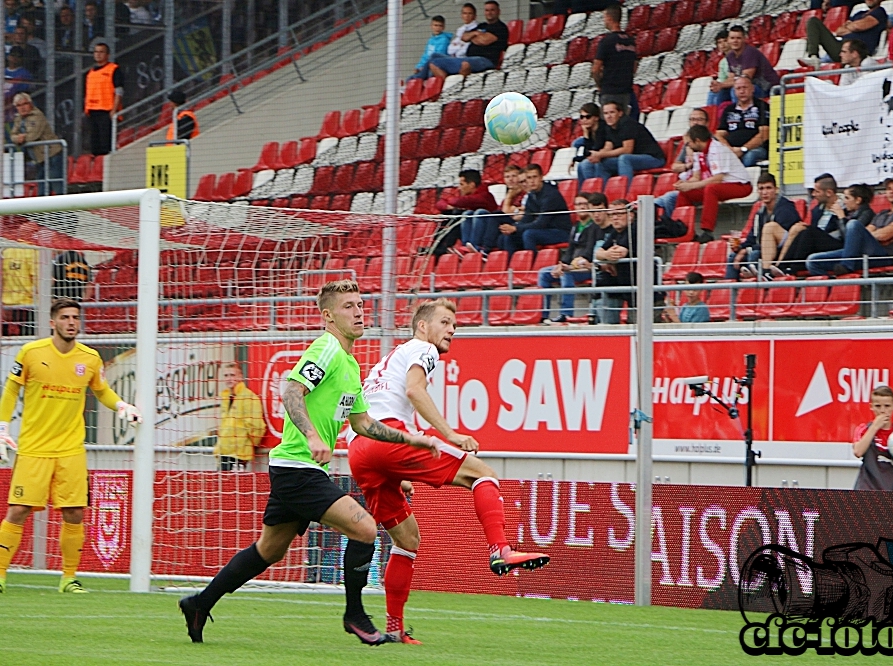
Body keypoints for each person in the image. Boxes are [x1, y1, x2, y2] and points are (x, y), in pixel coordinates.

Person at [179, 280, 439, 645]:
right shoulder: (327, 348)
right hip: (297, 468)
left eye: (361, 304)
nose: (359, 311)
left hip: (299, 469)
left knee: (269, 549)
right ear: (328, 316)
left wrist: (410, 441)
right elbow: (291, 391)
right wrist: (314, 436)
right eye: (348, 306)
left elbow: (363, 424)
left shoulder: (349, 363)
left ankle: (199, 603)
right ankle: (355, 615)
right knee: (364, 528)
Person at [347, 299, 550, 642]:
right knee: (483, 474)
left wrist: (397, 471)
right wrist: (450, 434)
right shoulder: (422, 349)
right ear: (423, 326)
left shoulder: (387, 360)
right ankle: (501, 549)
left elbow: (373, 409)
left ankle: (395, 629)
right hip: (391, 437)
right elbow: (414, 390)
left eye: (454, 325)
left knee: (407, 539)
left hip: (360, 450)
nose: (452, 330)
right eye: (445, 322)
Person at [0, 298, 141, 595]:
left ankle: (68, 578)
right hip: (34, 448)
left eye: (75, 317)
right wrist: (2, 427)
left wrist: (121, 406)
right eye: (65, 317)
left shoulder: (89, 358)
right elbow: (12, 388)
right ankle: (0, 575)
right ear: (53, 322)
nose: (71, 322)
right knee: (18, 510)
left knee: (75, 512)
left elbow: (101, 390)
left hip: (71, 449)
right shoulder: (31, 353)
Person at [806, 175, 893, 275]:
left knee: (853, 224)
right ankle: (833, 292)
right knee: (813, 260)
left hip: (885, 257)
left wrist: (869, 236)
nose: (891, 192)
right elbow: (868, 231)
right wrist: (870, 236)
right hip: (863, 254)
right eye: (889, 189)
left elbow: (883, 235)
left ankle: (847, 265)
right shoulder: (882, 213)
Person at [774, 181, 875, 277]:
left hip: (847, 249)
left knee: (810, 232)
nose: (844, 201)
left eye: (847, 198)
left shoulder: (866, 213)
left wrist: (841, 217)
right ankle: (784, 266)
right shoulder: (849, 211)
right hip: (837, 242)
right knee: (804, 231)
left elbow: (850, 238)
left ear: (858, 200)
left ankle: (792, 268)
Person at [673, 124, 753, 244]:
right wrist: (685, 184)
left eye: (689, 143)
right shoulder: (698, 152)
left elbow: (717, 179)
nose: (687, 146)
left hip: (741, 185)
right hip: (722, 185)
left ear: (698, 141)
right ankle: (682, 230)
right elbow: (696, 176)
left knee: (711, 189)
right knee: (685, 193)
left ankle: (707, 231)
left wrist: (692, 185)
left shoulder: (717, 149)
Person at [538, 193, 603, 323]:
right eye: (578, 204)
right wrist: (561, 264)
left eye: (584, 204)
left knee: (566, 274)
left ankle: (566, 314)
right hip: (572, 265)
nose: (582, 207)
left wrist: (569, 266)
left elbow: (589, 250)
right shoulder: (575, 227)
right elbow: (570, 250)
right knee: (544, 273)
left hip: (586, 266)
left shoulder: (594, 226)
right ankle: (543, 314)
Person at [726, 172, 800, 279]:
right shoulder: (760, 212)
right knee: (732, 257)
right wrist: (740, 247)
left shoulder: (786, 209)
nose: (764, 192)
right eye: (761, 189)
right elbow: (752, 238)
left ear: (776, 189)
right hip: (762, 250)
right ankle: (730, 291)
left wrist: (747, 250)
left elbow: (781, 242)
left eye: (768, 188)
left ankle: (762, 288)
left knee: (754, 254)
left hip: (783, 253)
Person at [576, 101, 665, 186]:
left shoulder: (627, 124)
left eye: (612, 112)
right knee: (601, 162)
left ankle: (624, 193)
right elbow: (608, 147)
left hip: (653, 158)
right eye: (606, 113)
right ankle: (600, 194)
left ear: (620, 113)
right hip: (634, 159)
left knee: (624, 158)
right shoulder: (609, 127)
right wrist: (598, 155)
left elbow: (627, 150)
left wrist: (600, 154)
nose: (609, 116)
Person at [654, 107, 711, 224]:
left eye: (699, 119)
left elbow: (702, 168)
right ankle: (663, 226)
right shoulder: (688, 144)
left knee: (669, 198)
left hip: (703, 186)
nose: (695, 122)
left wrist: (690, 151)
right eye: (692, 119)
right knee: (660, 201)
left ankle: (671, 227)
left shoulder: (710, 142)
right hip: (690, 185)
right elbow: (675, 166)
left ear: (707, 123)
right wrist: (687, 166)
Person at [497, 163, 571, 252]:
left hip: (560, 231)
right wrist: (512, 227)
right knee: (508, 236)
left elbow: (541, 223)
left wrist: (516, 228)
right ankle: (511, 264)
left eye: (534, 177)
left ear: (541, 177)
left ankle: (532, 263)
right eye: (529, 178)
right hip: (544, 230)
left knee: (529, 234)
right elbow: (527, 218)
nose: (532, 181)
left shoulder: (551, 195)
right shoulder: (532, 195)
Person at [852, 385, 893, 491]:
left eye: (887, 406)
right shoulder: (864, 429)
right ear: (871, 407)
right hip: (868, 490)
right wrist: (875, 426)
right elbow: (858, 451)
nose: (883, 410)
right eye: (878, 406)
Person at [428, 1, 507, 78]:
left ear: (498, 11)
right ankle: (419, 78)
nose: (489, 13)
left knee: (435, 63)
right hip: (469, 58)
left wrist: (473, 36)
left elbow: (484, 41)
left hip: (485, 60)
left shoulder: (500, 27)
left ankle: (448, 87)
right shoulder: (483, 25)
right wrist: (476, 34)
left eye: (492, 10)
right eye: (487, 10)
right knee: (434, 56)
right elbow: (464, 37)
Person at [799, 0, 888, 67]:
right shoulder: (859, 14)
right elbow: (839, 31)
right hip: (842, 47)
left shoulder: (880, 12)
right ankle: (814, 57)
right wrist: (853, 27)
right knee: (812, 21)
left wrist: (851, 26)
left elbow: (858, 26)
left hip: (859, 49)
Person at [215, 363, 265, 472]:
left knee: (236, 486)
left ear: (240, 377)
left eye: (232, 375)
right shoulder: (226, 397)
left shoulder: (249, 397)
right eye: (226, 375)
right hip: (224, 451)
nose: (229, 379)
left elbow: (257, 426)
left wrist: (249, 446)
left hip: (239, 454)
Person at [434, 169, 497, 256]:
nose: (459, 188)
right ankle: (462, 246)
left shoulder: (485, 196)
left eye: (461, 184)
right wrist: (447, 206)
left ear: (471, 185)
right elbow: (439, 203)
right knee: (461, 214)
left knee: (478, 212)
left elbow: (459, 201)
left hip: (489, 232)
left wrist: (450, 202)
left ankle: (475, 245)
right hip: (473, 229)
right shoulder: (465, 195)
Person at [463, 164, 524, 254]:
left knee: (482, 213)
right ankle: (467, 245)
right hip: (501, 223)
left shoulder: (523, 194)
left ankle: (481, 247)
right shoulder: (506, 197)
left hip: (515, 224)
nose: (510, 179)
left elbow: (504, 213)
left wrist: (510, 196)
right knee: (468, 213)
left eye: (514, 176)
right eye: (507, 177)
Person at [10, 92, 63, 195]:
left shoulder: (37, 115)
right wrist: (18, 138)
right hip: (39, 158)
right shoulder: (18, 119)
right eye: (19, 105)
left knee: (57, 186)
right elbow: (13, 136)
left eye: (24, 104)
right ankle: (44, 210)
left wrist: (21, 138)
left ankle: (66, 209)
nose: (22, 108)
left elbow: (32, 136)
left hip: (52, 155)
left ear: (30, 104)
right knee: (42, 187)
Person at [595, 199, 638, 323]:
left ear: (630, 215)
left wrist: (606, 256)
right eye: (612, 215)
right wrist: (607, 255)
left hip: (639, 290)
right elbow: (598, 253)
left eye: (619, 214)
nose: (615, 218)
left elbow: (619, 253)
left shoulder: (635, 230)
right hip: (621, 285)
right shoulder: (615, 232)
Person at [715, 76, 769, 167]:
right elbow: (719, 134)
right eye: (738, 88)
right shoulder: (729, 109)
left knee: (749, 157)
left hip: (755, 149)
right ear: (734, 91)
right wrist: (730, 150)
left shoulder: (762, 106)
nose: (742, 91)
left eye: (745, 87)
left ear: (752, 89)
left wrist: (743, 149)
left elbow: (764, 134)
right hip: (731, 150)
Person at [592, 4, 636, 114]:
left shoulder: (607, 41)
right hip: (625, 91)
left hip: (610, 91)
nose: (604, 21)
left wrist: (599, 85)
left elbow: (595, 69)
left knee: (610, 124)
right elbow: (634, 66)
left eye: (604, 18)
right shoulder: (631, 41)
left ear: (609, 18)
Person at [719, 25, 779, 101]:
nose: (735, 41)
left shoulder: (749, 52)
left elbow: (746, 78)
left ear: (744, 39)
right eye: (732, 38)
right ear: (728, 40)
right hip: (748, 85)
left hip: (765, 87)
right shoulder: (730, 56)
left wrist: (722, 85)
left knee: (736, 91)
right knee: (717, 92)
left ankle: (741, 112)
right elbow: (731, 77)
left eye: (738, 38)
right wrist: (719, 85)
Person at [84, 41, 123, 156]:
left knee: (105, 143)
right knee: (95, 144)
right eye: (96, 52)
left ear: (108, 55)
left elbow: (119, 91)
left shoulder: (114, 69)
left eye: (101, 52)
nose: (98, 54)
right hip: (92, 110)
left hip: (106, 111)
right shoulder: (91, 72)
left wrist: (114, 109)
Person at [2, 246, 36, 336]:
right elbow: (37, 279)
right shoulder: (33, 251)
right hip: (27, 305)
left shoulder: (6, 251)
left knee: (8, 339)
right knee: (27, 339)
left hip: (7, 305)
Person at [571, 102, 607, 188]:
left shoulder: (603, 129)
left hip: (605, 157)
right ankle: (583, 193)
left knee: (585, 164)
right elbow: (587, 153)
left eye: (588, 117)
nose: (584, 120)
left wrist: (586, 135)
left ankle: (592, 190)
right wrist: (575, 159)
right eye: (582, 117)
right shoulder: (590, 129)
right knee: (580, 165)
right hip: (596, 157)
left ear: (596, 118)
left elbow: (594, 150)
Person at [409, 16, 451, 80]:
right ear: (431, 26)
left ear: (443, 27)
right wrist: (419, 66)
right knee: (411, 78)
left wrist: (423, 67)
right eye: (435, 25)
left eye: (440, 26)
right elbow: (425, 55)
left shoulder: (444, 40)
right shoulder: (431, 40)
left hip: (435, 66)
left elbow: (438, 56)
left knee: (415, 78)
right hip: (426, 66)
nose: (437, 28)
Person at [706, 30, 733, 107]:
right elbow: (722, 79)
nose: (722, 44)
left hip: (738, 85)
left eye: (725, 41)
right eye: (719, 42)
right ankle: (711, 114)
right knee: (712, 92)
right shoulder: (722, 62)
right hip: (727, 86)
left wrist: (721, 85)